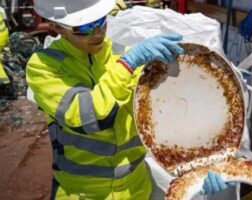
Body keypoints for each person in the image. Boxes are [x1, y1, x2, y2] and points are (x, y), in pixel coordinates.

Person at [26, 0, 233, 199]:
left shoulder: (120, 56)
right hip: (83, 194)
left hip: (138, 190)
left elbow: (171, 119)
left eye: (101, 21)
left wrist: (203, 165)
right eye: (86, 27)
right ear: (57, 27)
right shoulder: (45, 67)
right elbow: (89, 117)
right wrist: (128, 64)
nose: (97, 32)